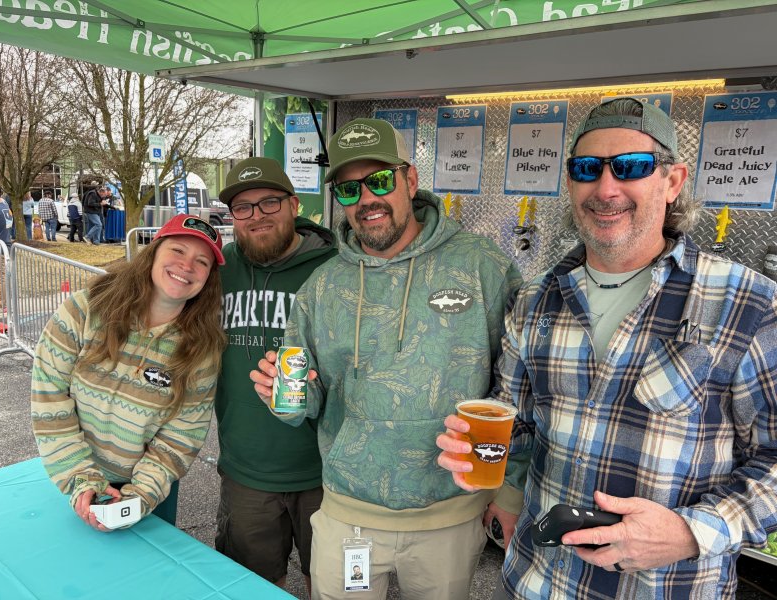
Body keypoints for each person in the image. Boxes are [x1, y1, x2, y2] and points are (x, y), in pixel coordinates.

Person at [437, 98, 777, 599]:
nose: (606, 187)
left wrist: (692, 532)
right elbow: (520, 429)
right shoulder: (535, 300)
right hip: (537, 581)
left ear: (673, 181)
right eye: (587, 169)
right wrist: (481, 455)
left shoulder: (746, 303)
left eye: (632, 167)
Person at [251, 117, 523, 600]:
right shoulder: (323, 286)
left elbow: (519, 385)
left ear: (410, 180)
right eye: (350, 190)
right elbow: (303, 403)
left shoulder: (482, 266)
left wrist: (510, 488)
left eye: (379, 181)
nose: (367, 200)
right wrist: (283, 397)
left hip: (450, 512)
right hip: (347, 514)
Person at [31, 214, 227, 531]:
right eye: (177, 250)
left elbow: (181, 436)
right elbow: (49, 398)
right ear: (153, 252)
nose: (187, 266)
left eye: (201, 261)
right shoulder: (84, 310)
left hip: (149, 490)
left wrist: (140, 496)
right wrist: (81, 481)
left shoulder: (201, 349)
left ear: (209, 278)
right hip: (72, 476)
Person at [214, 157, 337, 594]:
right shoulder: (216, 268)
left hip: (327, 471)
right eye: (242, 207)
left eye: (269, 202)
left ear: (292, 204)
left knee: (330, 583)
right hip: (247, 470)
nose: (256, 215)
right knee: (255, 586)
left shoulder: (335, 267)